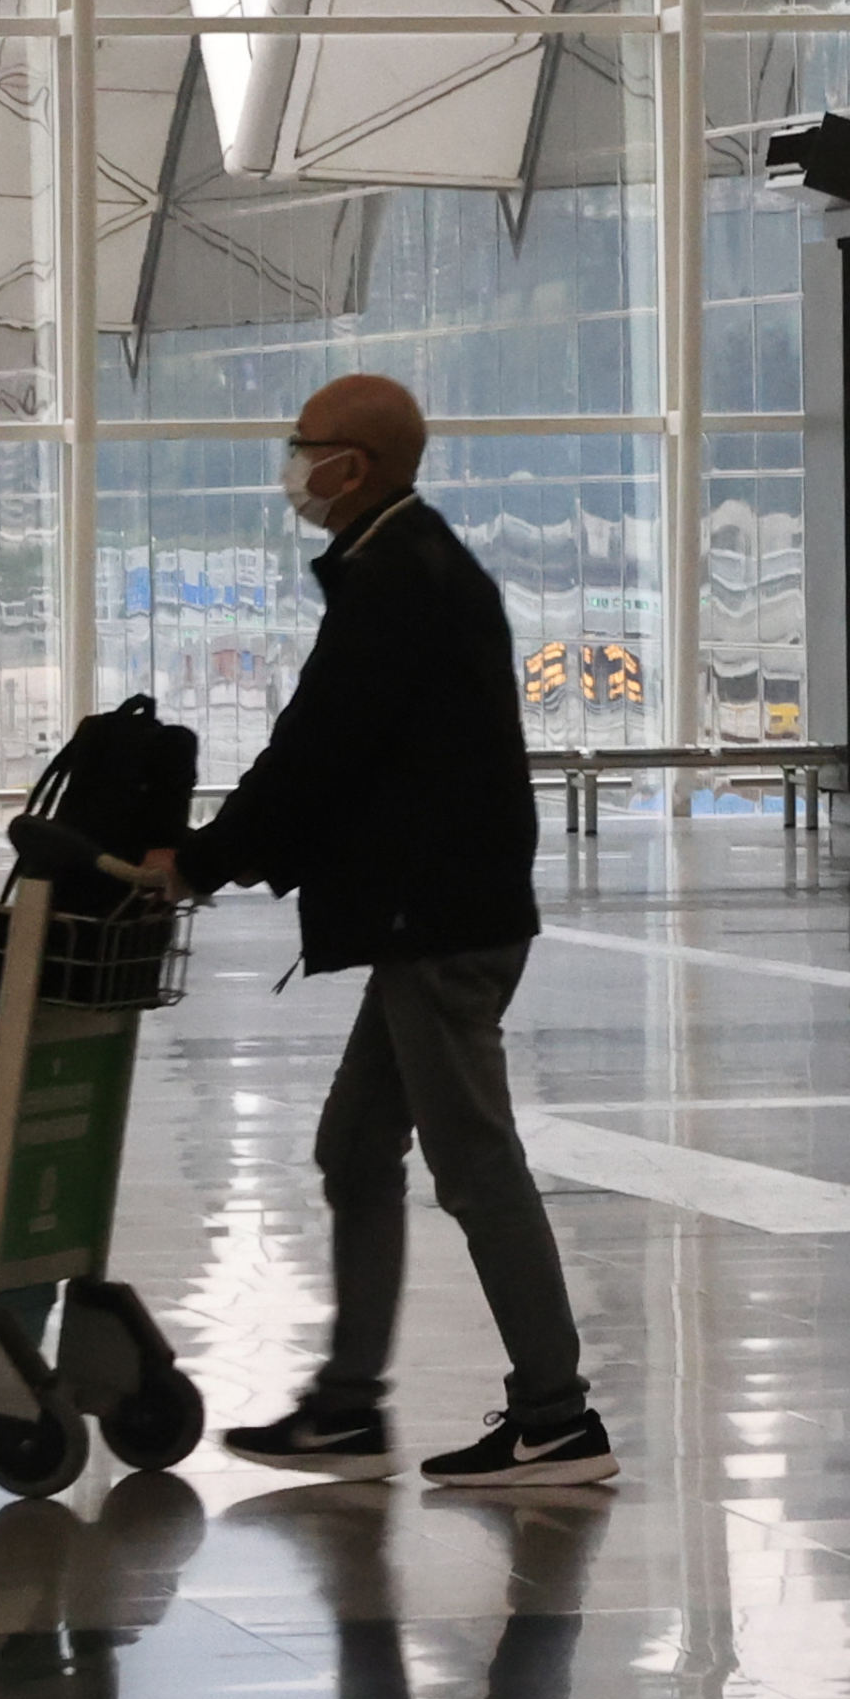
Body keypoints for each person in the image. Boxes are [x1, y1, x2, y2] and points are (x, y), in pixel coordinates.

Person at [176, 374, 616, 1491]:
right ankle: (346, 1407)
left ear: (353, 465)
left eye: (304, 446)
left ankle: (556, 1417)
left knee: (473, 1159)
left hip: (439, 923)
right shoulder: (411, 560)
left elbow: (317, 751)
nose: (293, 465)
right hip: (435, 914)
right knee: (355, 1146)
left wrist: (198, 861)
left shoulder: (396, 579)